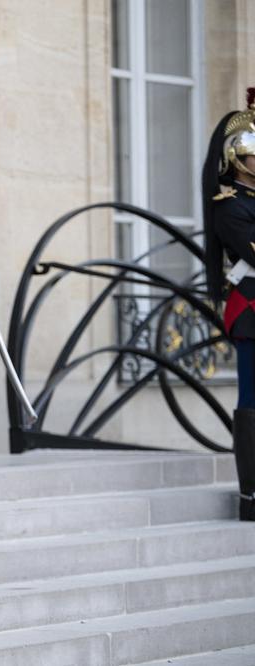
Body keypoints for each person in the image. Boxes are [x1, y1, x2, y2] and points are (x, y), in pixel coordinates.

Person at [202, 86, 255, 522]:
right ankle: (250, 495)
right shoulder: (230, 206)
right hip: (250, 309)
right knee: (251, 398)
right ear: (240, 156)